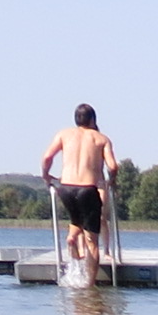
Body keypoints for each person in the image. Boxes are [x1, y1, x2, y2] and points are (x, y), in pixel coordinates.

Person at [42, 103, 117, 273]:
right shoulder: (101, 139)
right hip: (87, 189)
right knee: (92, 241)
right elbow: (112, 166)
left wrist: (46, 175)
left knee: (77, 221)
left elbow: (47, 157)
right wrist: (111, 181)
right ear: (93, 120)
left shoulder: (63, 134)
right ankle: (89, 284)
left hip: (65, 188)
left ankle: (71, 238)